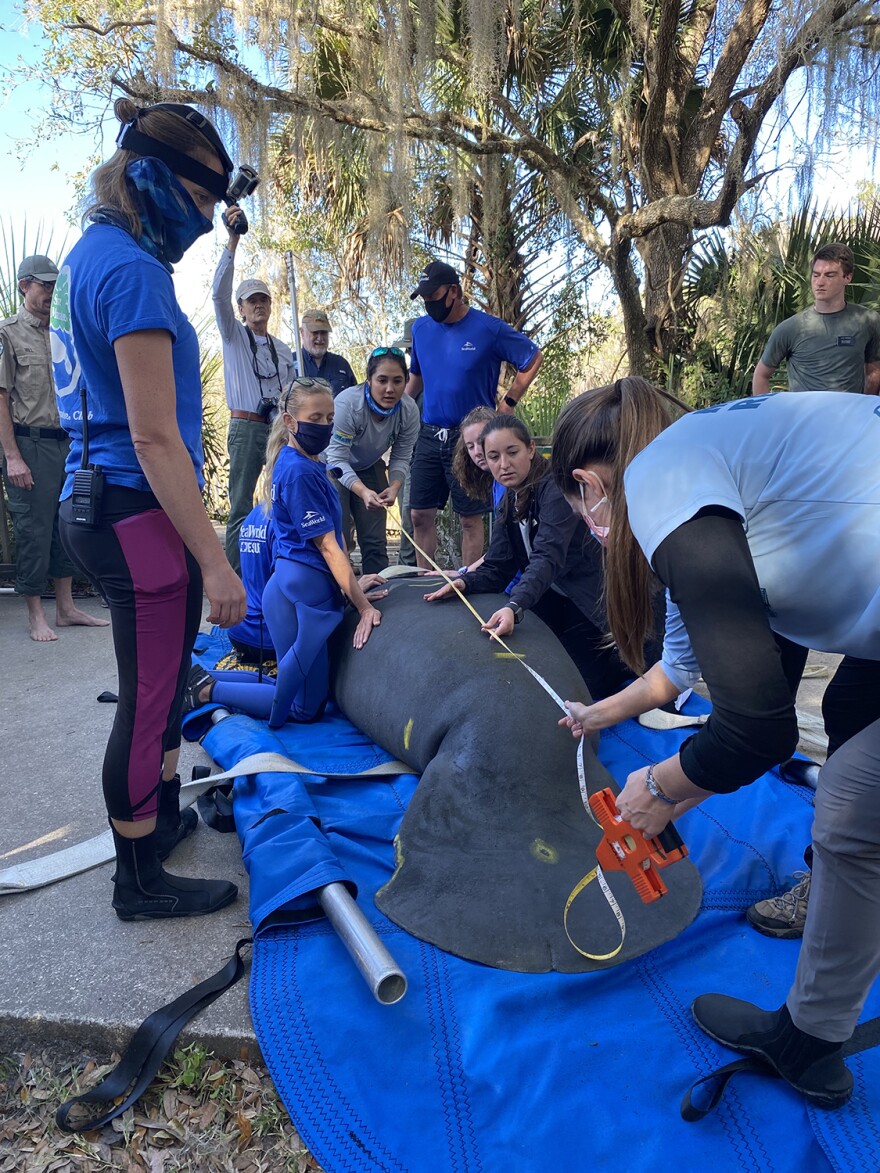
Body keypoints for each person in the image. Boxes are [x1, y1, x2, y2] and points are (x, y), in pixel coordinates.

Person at [550, 378, 880, 1109]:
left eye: (583, 518)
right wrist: (674, 785)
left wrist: (659, 787)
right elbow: (764, 694)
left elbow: (757, 727)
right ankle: (814, 1037)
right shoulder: (736, 459)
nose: (599, 535)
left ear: (588, 485)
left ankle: (812, 1037)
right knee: (854, 719)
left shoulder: (662, 477)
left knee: (853, 808)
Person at [52, 98, 247, 921]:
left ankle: (155, 823)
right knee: (148, 697)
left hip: (105, 499)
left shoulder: (92, 255)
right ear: (158, 182)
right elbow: (156, 437)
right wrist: (215, 560)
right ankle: (137, 878)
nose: (204, 222)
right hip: (132, 508)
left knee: (161, 693)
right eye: (202, 203)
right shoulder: (130, 272)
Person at [187, 377, 384, 727]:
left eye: (329, 418)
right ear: (290, 421)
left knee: (300, 688)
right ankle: (204, 692)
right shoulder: (298, 471)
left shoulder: (303, 463)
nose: (324, 425)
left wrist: (352, 583)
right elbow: (328, 546)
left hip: (300, 591)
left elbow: (333, 540)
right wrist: (362, 604)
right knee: (303, 708)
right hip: (298, 598)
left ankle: (194, 680)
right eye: (315, 417)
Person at [424, 415, 631, 701]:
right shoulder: (509, 498)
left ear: (531, 449)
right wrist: (464, 582)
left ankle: (628, 655)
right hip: (553, 597)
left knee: (586, 688)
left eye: (512, 452)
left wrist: (514, 606)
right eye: (493, 457)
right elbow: (498, 565)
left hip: (591, 598)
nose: (503, 465)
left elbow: (548, 557)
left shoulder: (555, 489)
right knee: (535, 670)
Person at [406, 260, 543, 569]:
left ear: (453, 291)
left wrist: (508, 402)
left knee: (470, 517)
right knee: (419, 514)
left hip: (469, 438)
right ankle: (420, 582)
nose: (429, 304)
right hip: (429, 433)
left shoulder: (487, 328)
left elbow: (533, 357)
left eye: (434, 295)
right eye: (424, 298)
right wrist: (394, 410)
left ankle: (470, 580)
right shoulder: (421, 329)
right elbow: (416, 377)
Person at [0, 256, 109, 642]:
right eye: (43, 285)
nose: (49, 292)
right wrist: (13, 456)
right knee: (33, 529)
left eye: (53, 286)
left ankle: (65, 608)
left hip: (69, 441)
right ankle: (35, 615)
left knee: (66, 525)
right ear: (23, 286)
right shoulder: (8, 335)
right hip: (29, 444)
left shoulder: (63, 332)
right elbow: (1, 398)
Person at [212, 209, 295, 574]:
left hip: (277, 426)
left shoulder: (282, 348)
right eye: (251, 300)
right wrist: (233, 240)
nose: (258, 304)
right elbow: (217, 294)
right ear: (241, 308)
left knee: (281, 498)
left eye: (263, 299)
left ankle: (279, 567)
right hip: (245, 427)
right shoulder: (233, 336)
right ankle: (233, 577)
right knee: (241, 504)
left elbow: (291, 391)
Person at [324, 347, 420, 574]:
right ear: (369, 380)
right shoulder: (347, 405)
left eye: (397, 381)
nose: (389, 389)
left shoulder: (408, 410)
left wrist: (394, 486)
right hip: (332, 466)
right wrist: (362, 491)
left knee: (375, 541)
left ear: (406, 381)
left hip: (368, 463)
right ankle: (344, 594)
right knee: (341, 535)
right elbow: (336, 459)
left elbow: (401, 456)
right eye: (382, 380)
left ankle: (379, 594)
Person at [752, 242, 880, 395]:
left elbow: (874, 370)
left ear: (847, 277)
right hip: (804, 417)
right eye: (816, 274)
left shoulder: (867, 321)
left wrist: (863, 408)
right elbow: (761, 375)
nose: (820, 282)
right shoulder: (791, 328)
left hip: (849, 416)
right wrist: (770, 416)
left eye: (829, 275)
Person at [297, 309, 357, 398]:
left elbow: (355, 399)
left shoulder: (341, 364)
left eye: (324, 332)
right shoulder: (289, 363)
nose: (320, 338)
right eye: (315, 332)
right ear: (302, 332)